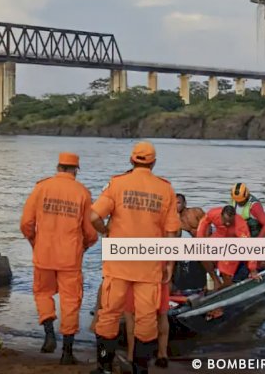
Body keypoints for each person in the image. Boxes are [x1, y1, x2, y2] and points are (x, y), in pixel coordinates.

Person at [90, 141, 180, 374]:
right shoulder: (165, 189)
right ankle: (141, 369)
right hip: (149, 265)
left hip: (118, 262)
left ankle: (104, 367)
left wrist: (106, 231)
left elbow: (92, 216)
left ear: (131, 160)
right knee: (146, 320)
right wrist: (169, 263)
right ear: (154, 163)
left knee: (108, 315)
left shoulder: (117, 184)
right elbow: (172, 232)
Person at [20, 152, 98, 365]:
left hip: (43, 254)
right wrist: (85, 245)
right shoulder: (82, 192)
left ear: (58, 167)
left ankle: (48, 334)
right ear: (76, 170)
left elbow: (26, 223)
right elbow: (90, 233)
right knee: (70, 301)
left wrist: (36, 242)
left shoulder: (41, 188)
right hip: (70, 258)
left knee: (43, 293)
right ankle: (67, 352)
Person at [196, 205, 261, 289]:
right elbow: (204, 222)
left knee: (225, 269)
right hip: (219, 237)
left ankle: (227, 285)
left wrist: (253, 270)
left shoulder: (240, 225)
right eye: (225, 221)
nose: (227, 224)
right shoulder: (214, 213)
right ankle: (216, 281)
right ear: (221, 215)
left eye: (230, 222)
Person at [123, 263, 170, 368]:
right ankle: (162, 354)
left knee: (131, 315)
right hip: (158, 270)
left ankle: (131, 355)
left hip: (133, 272)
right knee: (162, 314)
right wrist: (170, 265)